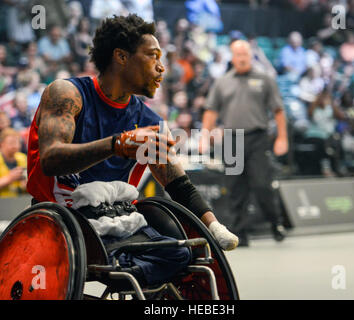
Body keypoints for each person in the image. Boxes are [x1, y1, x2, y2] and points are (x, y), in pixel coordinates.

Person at [26, 14, 238, 287]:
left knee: (180, 254)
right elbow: (51, 160)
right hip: (62, 219)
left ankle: (129, 274)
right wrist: (118, 144)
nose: (162, 68)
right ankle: (127, 271)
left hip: (117, 218)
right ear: (121, 57)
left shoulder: (150, 123)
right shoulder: (67, 93)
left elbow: (179, 185)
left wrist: (214, 227)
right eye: (152, 56)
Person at [200, 39, 289, 246]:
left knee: (261, 184)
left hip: (257, 138)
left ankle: (276, 224)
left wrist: (282, 138)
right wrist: (205, 136)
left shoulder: (264, 79)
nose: (241, 58)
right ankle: (241, 233)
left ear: (251, 55)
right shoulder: (222, 82)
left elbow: (278, 110)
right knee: (235, 187)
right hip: (232, 139)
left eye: (245, 54)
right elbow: (211, 111)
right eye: (238, 54)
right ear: (232, 57)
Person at [0, 128, 27, 197]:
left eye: (18, 142)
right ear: (2, 144)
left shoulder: (23, 158)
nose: (15, 145)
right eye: (11, 142)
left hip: (21, 200)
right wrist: (9, 178)